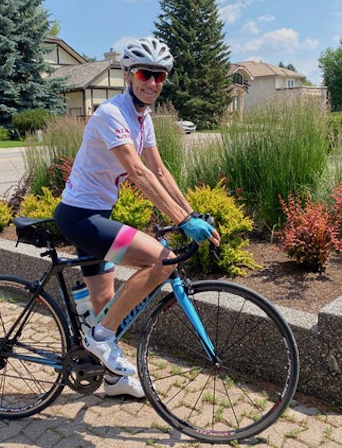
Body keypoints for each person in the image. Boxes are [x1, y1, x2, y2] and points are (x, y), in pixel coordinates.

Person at [54, 37, 220, 398]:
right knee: (164, 259)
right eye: (146, 74)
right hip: (80, 217)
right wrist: (182, 221)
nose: (153, 83)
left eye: (160, 76)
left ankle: (111, 378)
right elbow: (138, 172)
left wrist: (191, 212)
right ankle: (101, 337)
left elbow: (160, 170)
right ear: (129, 74)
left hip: (97, 214)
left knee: (105, 301)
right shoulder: (111, 114)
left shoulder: (144, 119)